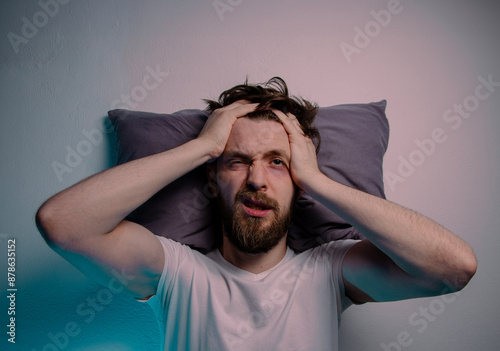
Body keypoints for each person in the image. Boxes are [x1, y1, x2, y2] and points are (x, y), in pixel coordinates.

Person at [36, 77, 477, 350]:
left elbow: (454, 269)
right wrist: (201, 147)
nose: (257, 180)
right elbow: (62, 223)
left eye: (277, 162)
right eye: (237, 161)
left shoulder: (329, 270)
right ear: (212, 179)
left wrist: (317, 180)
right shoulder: (176, 270)